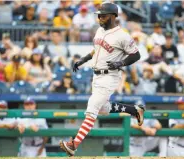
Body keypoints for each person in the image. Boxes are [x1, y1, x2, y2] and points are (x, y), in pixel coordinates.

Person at [59, 2, 145, 156]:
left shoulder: (122, 35)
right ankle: (134, 110)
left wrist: (121, 62)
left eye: (103, 15)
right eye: (99, 15)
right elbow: (96, 49)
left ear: (113, 16)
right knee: (103, 109)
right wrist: (83, 60)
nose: (100, 18)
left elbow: (136, 54)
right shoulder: (99, 30)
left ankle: (74, 144)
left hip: (110, 76)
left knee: (92, 108)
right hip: (96, 76)